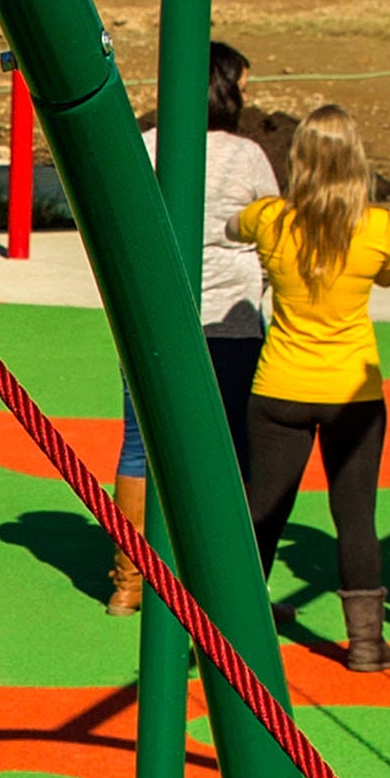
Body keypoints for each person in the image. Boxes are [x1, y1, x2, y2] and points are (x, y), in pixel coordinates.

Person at [230, 104, 390, 670]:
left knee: (263, 509)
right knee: (355, 515)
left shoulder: (272, 219)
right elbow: (389, 273)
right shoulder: (380, 227)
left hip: (281, 382)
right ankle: (364, 644)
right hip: (351, 391)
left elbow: (235, 225)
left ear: (299, 161)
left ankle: (238, 627)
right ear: (355, 161)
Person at [111, 43, 278, 614]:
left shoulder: (145, 145)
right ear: (225, 88)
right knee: (228, 451)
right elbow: (273, 230)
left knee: (141, 447)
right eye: (244, 86)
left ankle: (130, 581)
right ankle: (226, 588)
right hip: (227, 321)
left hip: (153, 319)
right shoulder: (246, 156)